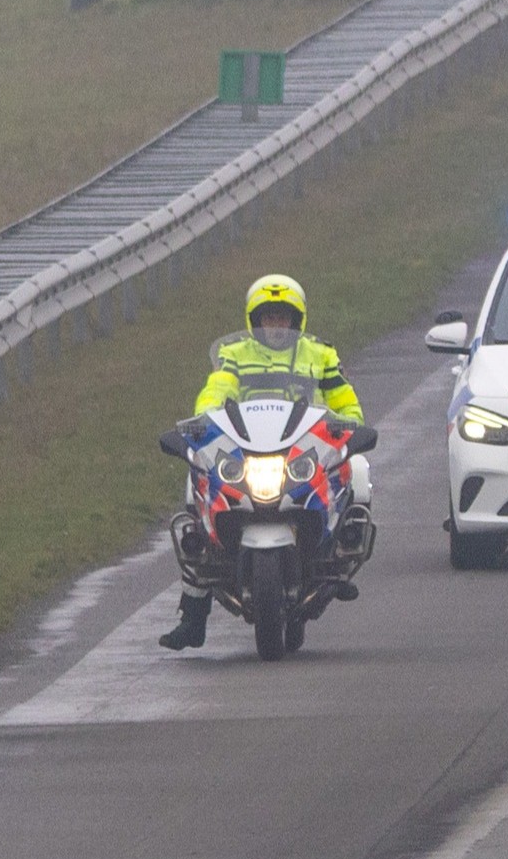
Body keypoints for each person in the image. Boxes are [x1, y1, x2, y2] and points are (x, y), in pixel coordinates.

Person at [160, 273, 375, 648]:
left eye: (283, 317)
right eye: (269, 318)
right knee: (196, 490)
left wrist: (351, 428)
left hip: (304, 448)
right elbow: (216, 393)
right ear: (254, 321)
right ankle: (193, 618)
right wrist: (201, 426)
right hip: (247, 447)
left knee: (358, 470)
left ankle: (340, 558)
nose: (276, 326)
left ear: (297, 320)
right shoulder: (235, 355)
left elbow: (345, 402)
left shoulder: (320, 354)